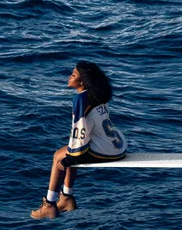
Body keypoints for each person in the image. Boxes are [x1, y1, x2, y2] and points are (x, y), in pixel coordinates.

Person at [31, 61, 127, 219]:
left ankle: (49, 204)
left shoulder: (81, 100)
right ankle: (67, 197)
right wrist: (72, 155)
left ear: (82, 81)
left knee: (58, 156)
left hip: (105, 152)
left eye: (73, 75)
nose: (69, 77)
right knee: (70, 152)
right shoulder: (98, 94)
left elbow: (80, 130)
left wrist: (71, 157)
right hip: (118, 147)